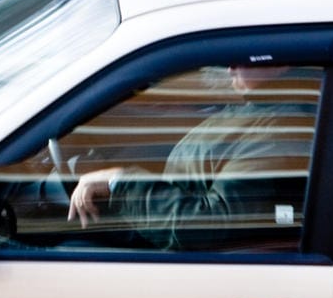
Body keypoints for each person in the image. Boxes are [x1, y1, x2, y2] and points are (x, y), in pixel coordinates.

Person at [64, 63, 312, 251]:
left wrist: (120, 182)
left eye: (246, 57)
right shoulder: (258, 108)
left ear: (282, 63)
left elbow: (211, 225)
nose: (230, 67)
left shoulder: (277, 132)